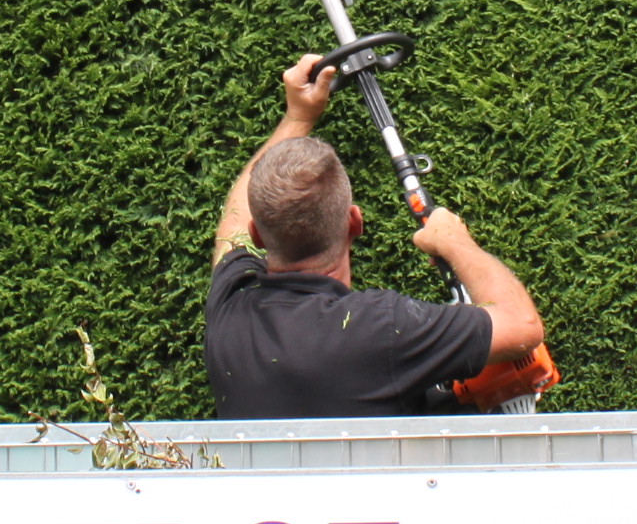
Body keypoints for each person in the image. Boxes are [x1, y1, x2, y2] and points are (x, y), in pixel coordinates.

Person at [206, 54, 546, 417]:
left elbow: (234, 221)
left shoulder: (230, 308)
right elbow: (522, 327)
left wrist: (298, 116)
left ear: (258, 235)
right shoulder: (384, 327)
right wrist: (457, 242)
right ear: (355, 223)